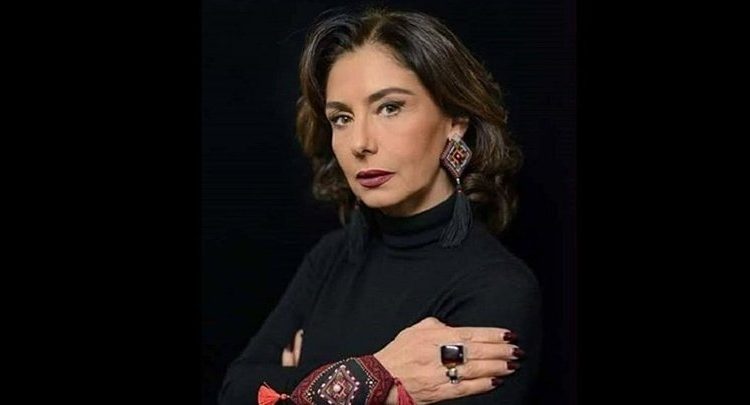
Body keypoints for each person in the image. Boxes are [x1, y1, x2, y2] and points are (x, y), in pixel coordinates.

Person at [219, 6, 541, 405]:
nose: (360, 143)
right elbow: (235, 390)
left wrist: (303, 382)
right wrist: (378, 376)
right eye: (342, 118)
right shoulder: (330, 257)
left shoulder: (497, 287)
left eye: (390, 107)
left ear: (455, 122)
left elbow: (259, 391)